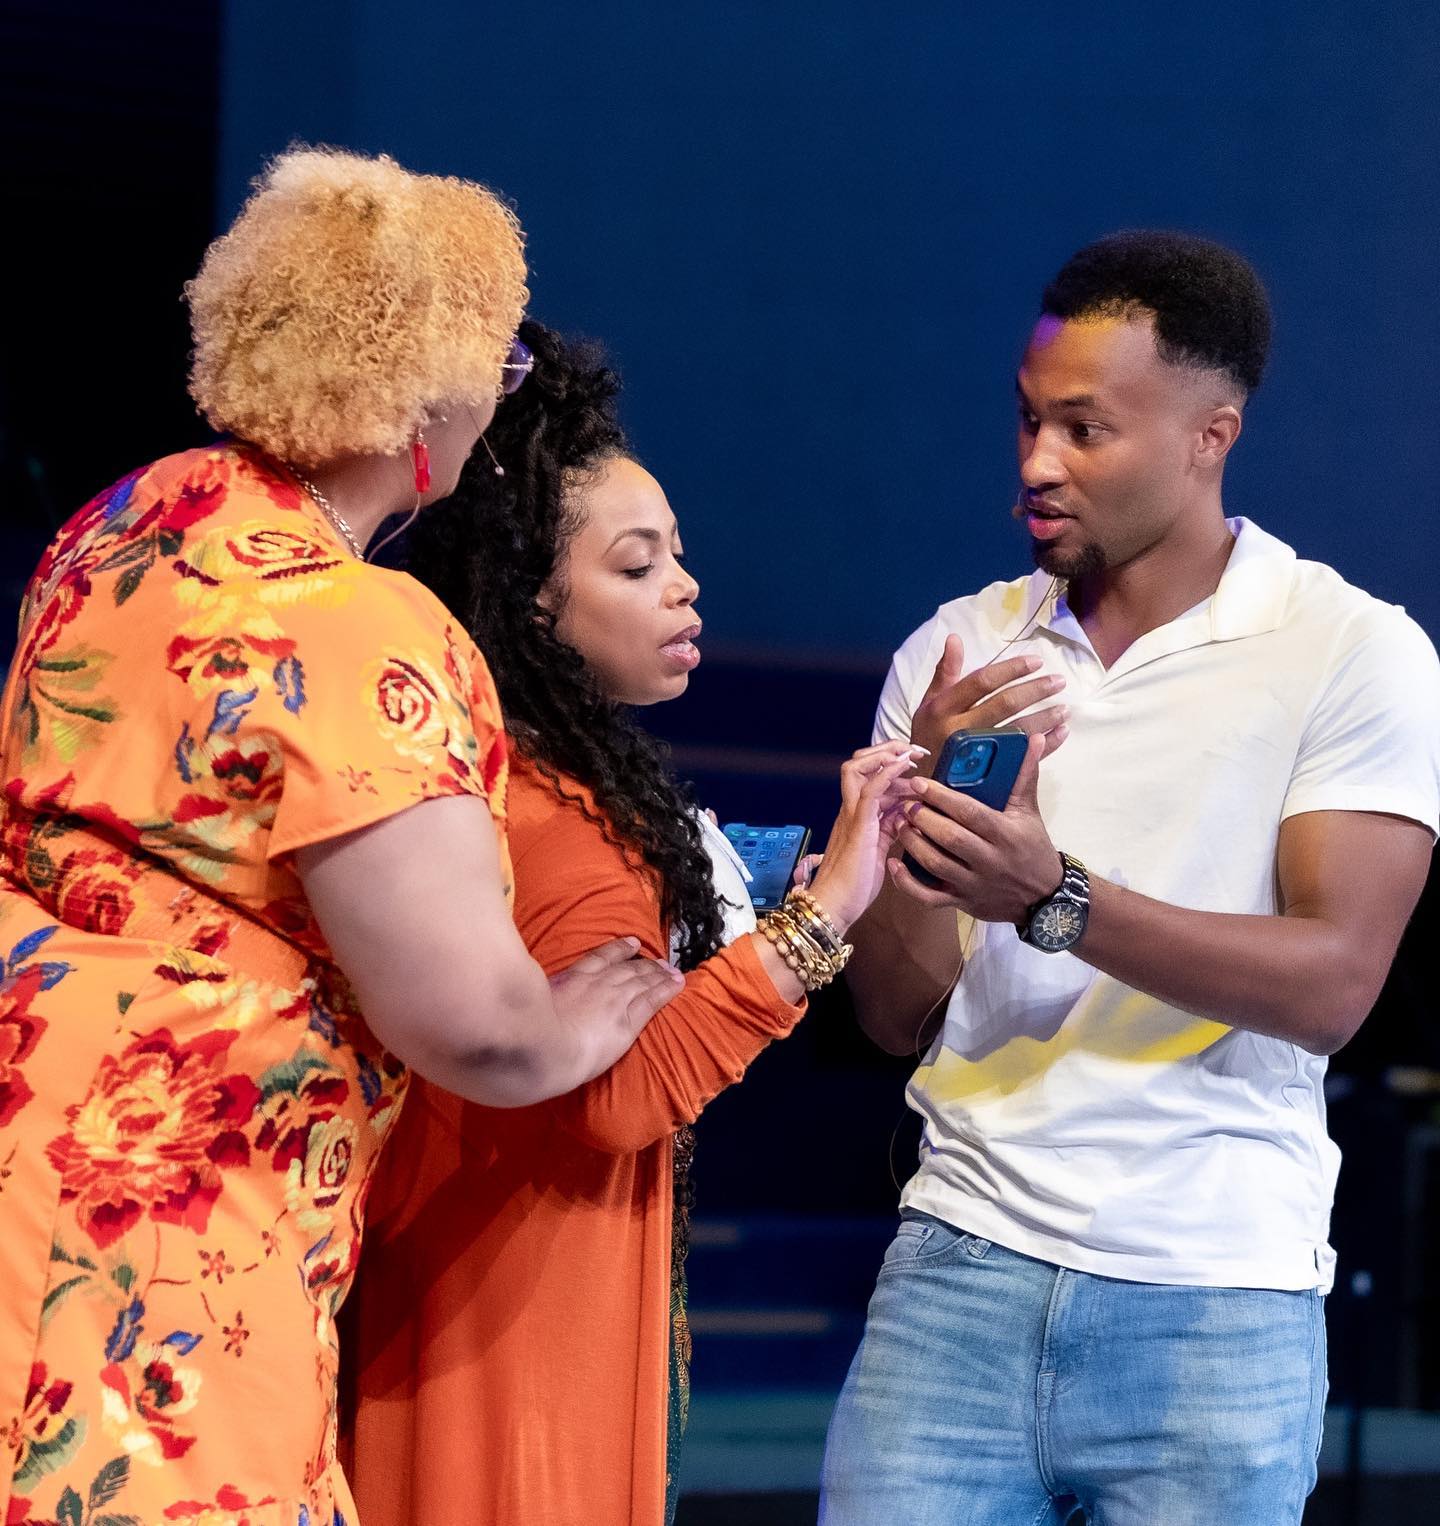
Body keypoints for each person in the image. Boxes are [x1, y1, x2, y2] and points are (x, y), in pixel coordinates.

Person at [0, 151, 683, 1526]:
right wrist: (568, 1024)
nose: (505, 390)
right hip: (175, 1220)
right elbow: (474, 1027)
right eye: (495, 360)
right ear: (422, 396)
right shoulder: (362, 628)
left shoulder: (124, 519)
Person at [820, 231, 1440, 1525]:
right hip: (958, 1264)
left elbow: (1332, 984)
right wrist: (920, 810)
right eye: (1029, 420)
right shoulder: (959, 649)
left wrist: (1056, 895)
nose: (1038, 463)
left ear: (1211, 436)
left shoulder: (1350, 649)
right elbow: (892, 1013)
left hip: (1216, 1296)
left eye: (1086, 429)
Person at [343, 322, 930, 1526]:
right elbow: (612, 1100)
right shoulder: (557, 820)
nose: (683, 585)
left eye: (678, 556)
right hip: (513, 1335)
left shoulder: (523, 782)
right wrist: (824, 915)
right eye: (636, 564)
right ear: (531, 599)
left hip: (488, 1302)